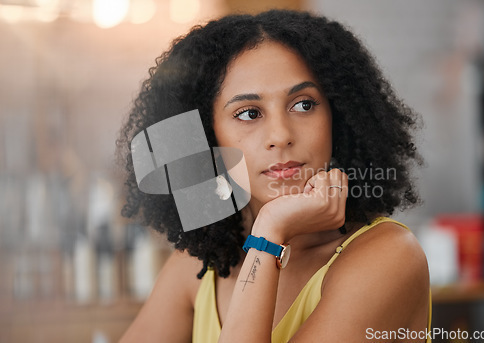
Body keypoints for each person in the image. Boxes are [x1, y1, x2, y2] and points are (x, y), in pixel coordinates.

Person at [116, 9, 431, 343]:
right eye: (249, 113)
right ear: (207, 136)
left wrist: (268, 232)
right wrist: (269, 234)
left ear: (339, 117)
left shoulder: (390, 257)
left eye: (304, 105)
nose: (281, 135)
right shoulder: (199, 267)